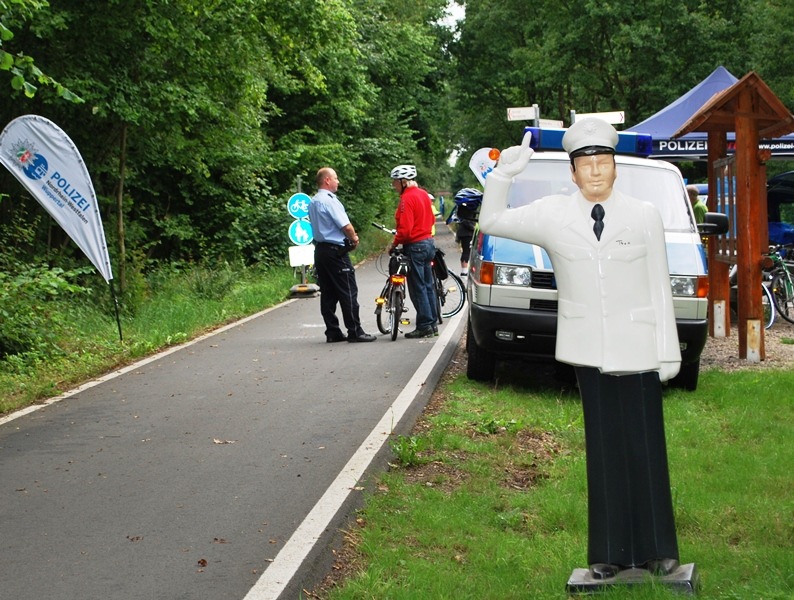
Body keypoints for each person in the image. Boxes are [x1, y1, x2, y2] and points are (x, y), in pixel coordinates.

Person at [478, 119, 683, 581]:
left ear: (616, 168)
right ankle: (607, 552)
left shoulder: (643, 214)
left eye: (603, 162)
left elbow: (660, 287)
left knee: (646, 447)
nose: (595, 172)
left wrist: (668, 352)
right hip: (590, 347)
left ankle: (658, 551)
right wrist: (503, 176)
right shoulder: (554, 214)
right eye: (585, 164)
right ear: (572, 173)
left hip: (639, 345)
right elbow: (492, 220)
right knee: (604, 449)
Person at [308, 167, 376, 343]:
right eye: (336, 178)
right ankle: (355, 331)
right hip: (336, 252)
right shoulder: (329, 201)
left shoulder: (314, 201)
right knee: (348, 291)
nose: (338, 182)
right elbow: (345, 225)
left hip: (320, 251)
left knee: (328, 293)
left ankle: (333, 331)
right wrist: (353, 239)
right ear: (327, 180)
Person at [389, 164, 438, 338]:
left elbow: (405, 229)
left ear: (403, 181)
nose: (393, 185)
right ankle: (432, 325)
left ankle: (424, 325)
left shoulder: (407, 199)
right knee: (428, 286)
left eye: (395, 182)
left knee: (418, 288)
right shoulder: (424, 194)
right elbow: (432, 218)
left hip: (415, 246)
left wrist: (394, 245)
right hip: (428, 243)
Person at [448, 187, 482, 276]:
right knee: (467, 251)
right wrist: (474, 228)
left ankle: (466, 270)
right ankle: (464, 271)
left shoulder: (462, 208)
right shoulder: (465, 209)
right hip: (466, 233)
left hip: (464, 232)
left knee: (467, 251)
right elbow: (467, 221)